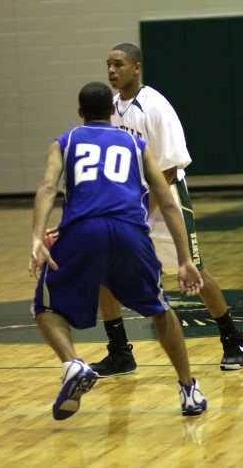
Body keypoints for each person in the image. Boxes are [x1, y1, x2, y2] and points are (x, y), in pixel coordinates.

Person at [29, 81, 207, 420]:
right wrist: (185, 260)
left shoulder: (63, 142)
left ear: (80, 113)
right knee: (159, 308)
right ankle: (188, 389)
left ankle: (73, 364)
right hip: (130, 231)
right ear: (112, 111)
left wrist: (37, 237)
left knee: (45, 307)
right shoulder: (136, 145)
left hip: (83, 230)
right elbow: (168, 203)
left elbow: (47, 187)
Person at [89, 43, 243, 377]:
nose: (111, 71)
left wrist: (136, 209)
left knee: (194, 273)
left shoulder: (156, 106)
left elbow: (167, 172)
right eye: (108, 65)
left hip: (167, 202)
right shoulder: (111, 109)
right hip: (129, 204)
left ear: (137, 67)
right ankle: (120, 351)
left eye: (118, 64)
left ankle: (233, 338)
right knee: (104, 273)